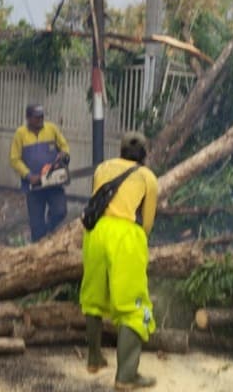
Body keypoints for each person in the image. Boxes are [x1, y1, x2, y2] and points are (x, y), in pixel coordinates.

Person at [80, 131, 159, 389]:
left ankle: (93, 358)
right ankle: (126, 376)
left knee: (93, 297)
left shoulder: (103, 168)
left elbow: (96, 201)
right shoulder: (148, 177)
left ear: (121, 150)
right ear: (145, 153)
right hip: (126, 237)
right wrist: (137, 243)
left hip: (96, 233)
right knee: (133, 307)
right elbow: (146, 223)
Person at [10, 103, 71, 242]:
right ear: (28, 118)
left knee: (60, 211)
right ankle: (39, 244)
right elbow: (14, 159)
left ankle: (49, 229)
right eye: (36, 117)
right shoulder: (21, 134)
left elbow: (64, 146)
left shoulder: (51, 129)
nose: (40, 119)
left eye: (42, 116)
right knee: (36, 226)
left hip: (53, 182)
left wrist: (63, 154)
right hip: (34, 186)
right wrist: (29, 175)